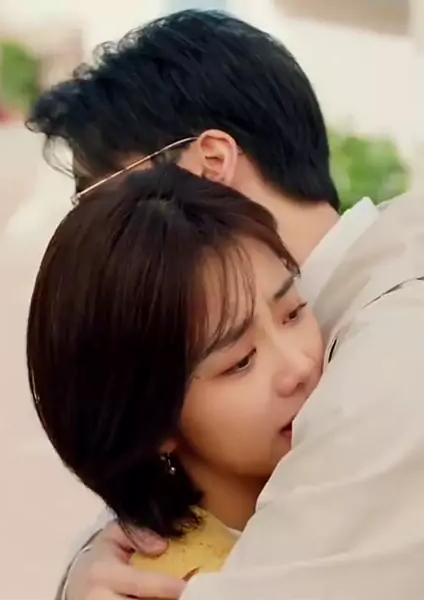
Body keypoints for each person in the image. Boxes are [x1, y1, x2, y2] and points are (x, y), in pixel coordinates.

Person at [28, 9, 424, 600]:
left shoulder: (390, 357)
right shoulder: (360, 304)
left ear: (209, 166)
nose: (102, 228)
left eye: (101, 192)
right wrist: (101, 558)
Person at [27, 164, 323, 581]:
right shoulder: (190, 583)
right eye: (241, 361)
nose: (299, 366)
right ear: (151, 421)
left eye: (292, 313)